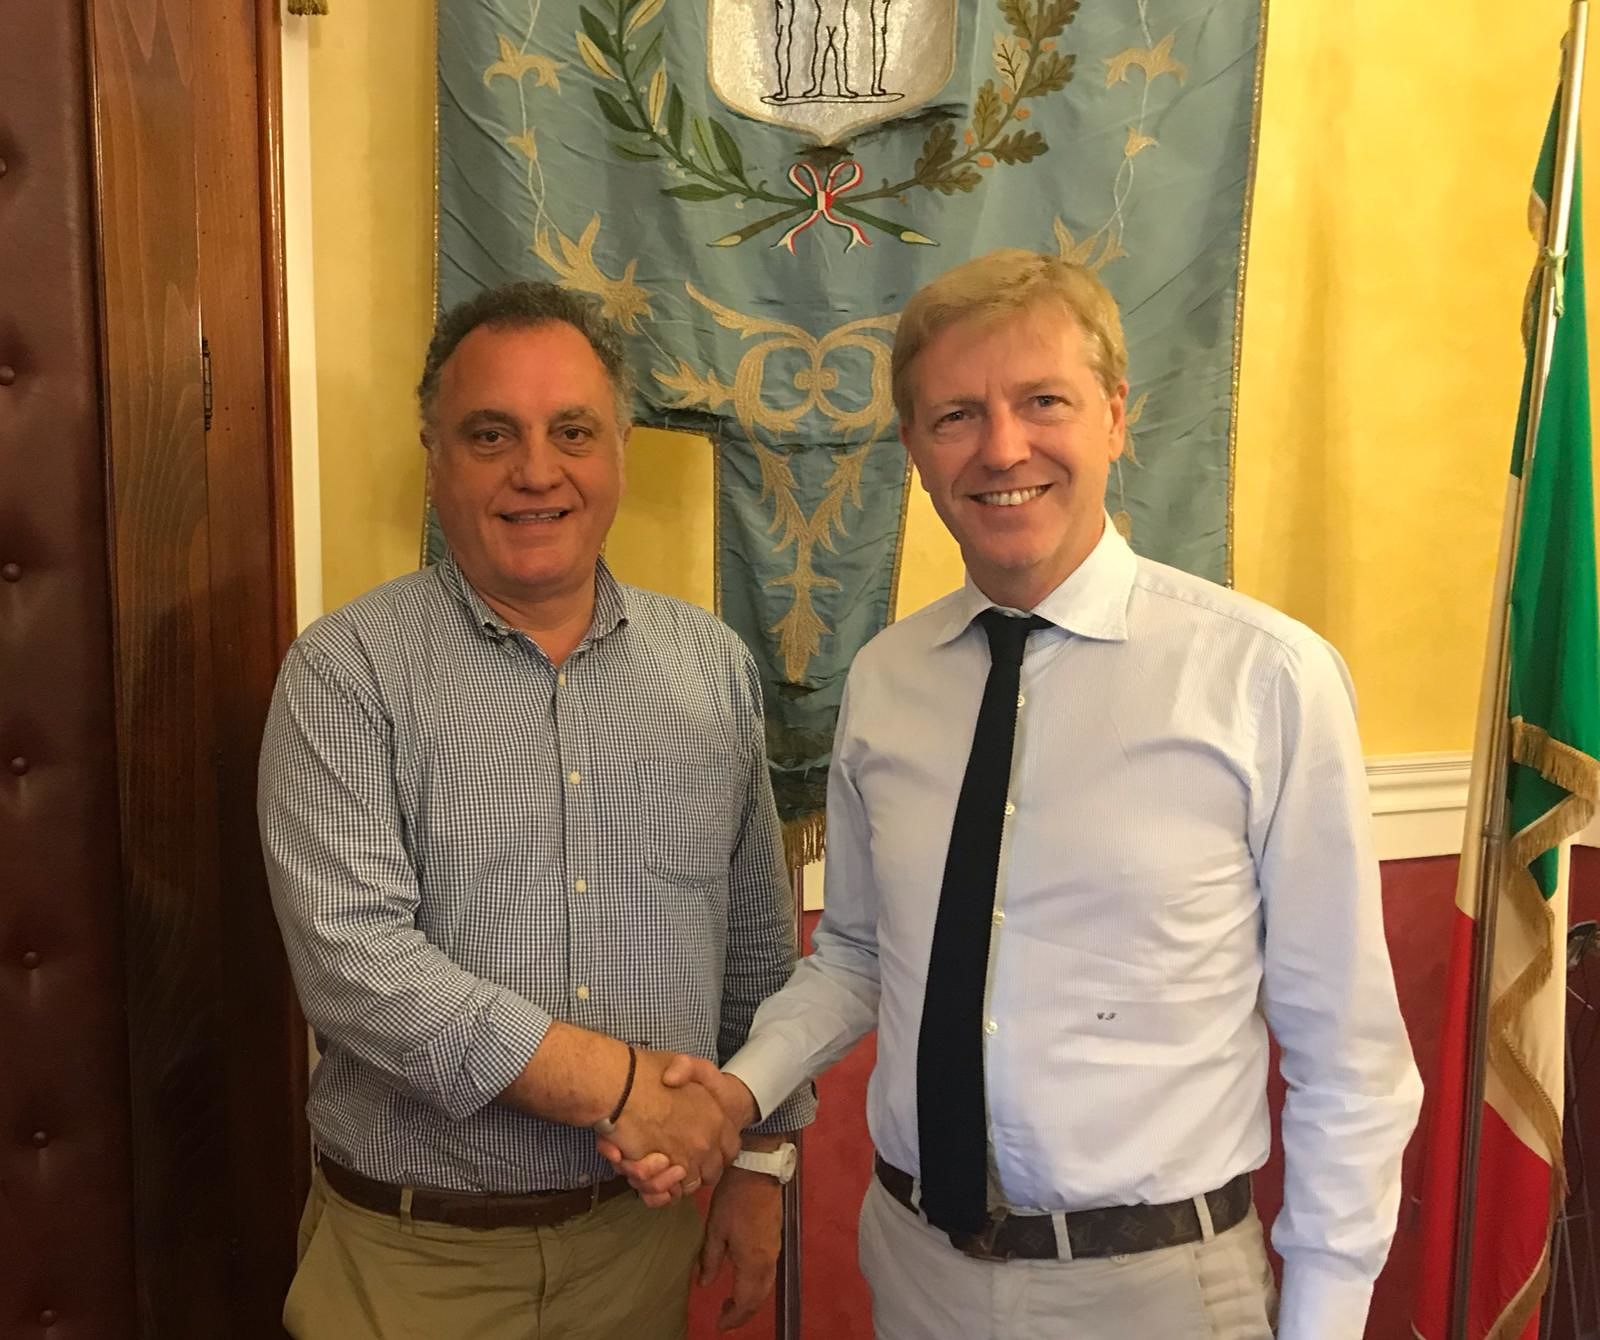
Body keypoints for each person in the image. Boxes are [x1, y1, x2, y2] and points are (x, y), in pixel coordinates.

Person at [615, 249, 1423, 1339]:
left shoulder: (1265, 679)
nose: (1002, 449)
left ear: (1115, 416)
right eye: (956, 416)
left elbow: (1347, 1057)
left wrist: (1323, 1318)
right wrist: (737, 1090)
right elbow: (856, 953)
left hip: (1157, 1292)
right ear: (914, 449)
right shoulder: (887, 680)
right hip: (917, 1269)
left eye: (1043, 401)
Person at [258, 280, 812, 1340]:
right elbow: (354, 962)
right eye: (490, 434)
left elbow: (753, 941)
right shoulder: (345, 672)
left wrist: (758, 1156)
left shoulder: (710, 667)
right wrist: (618, 1086)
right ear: (434, 456)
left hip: (639, 1249)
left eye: (573, 431)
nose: (536, 470)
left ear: (621, 451)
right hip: (417, 1264)